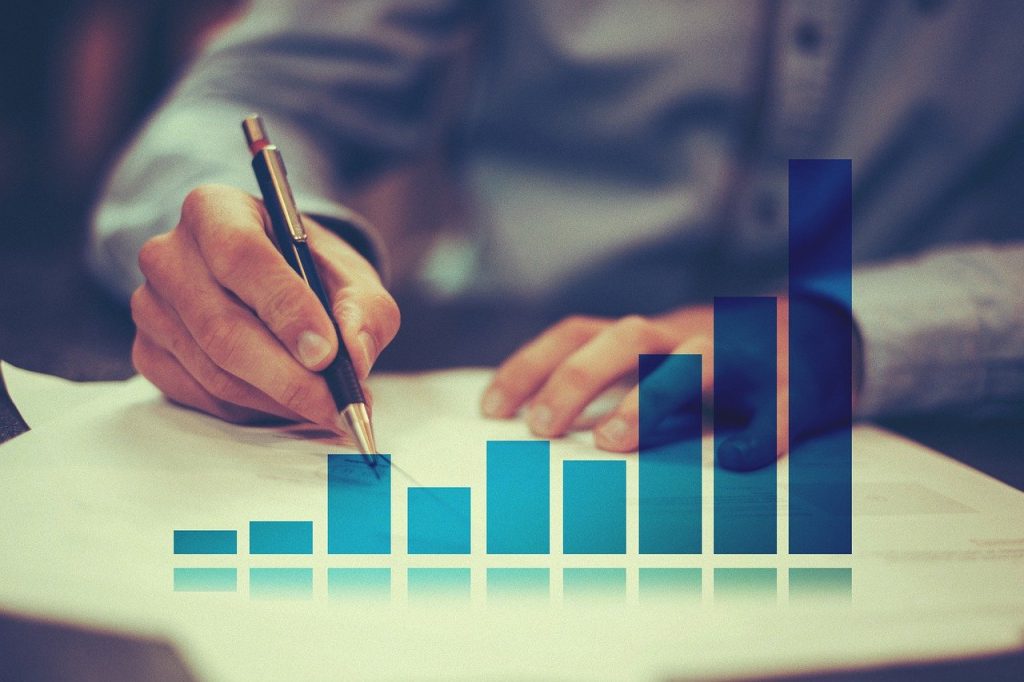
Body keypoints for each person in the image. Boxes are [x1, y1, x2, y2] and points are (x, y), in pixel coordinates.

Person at [87, 0, 1024, 465]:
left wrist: (850, 329)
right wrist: (252, 255)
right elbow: (240, 101)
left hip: (934, 414)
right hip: (511, 380)